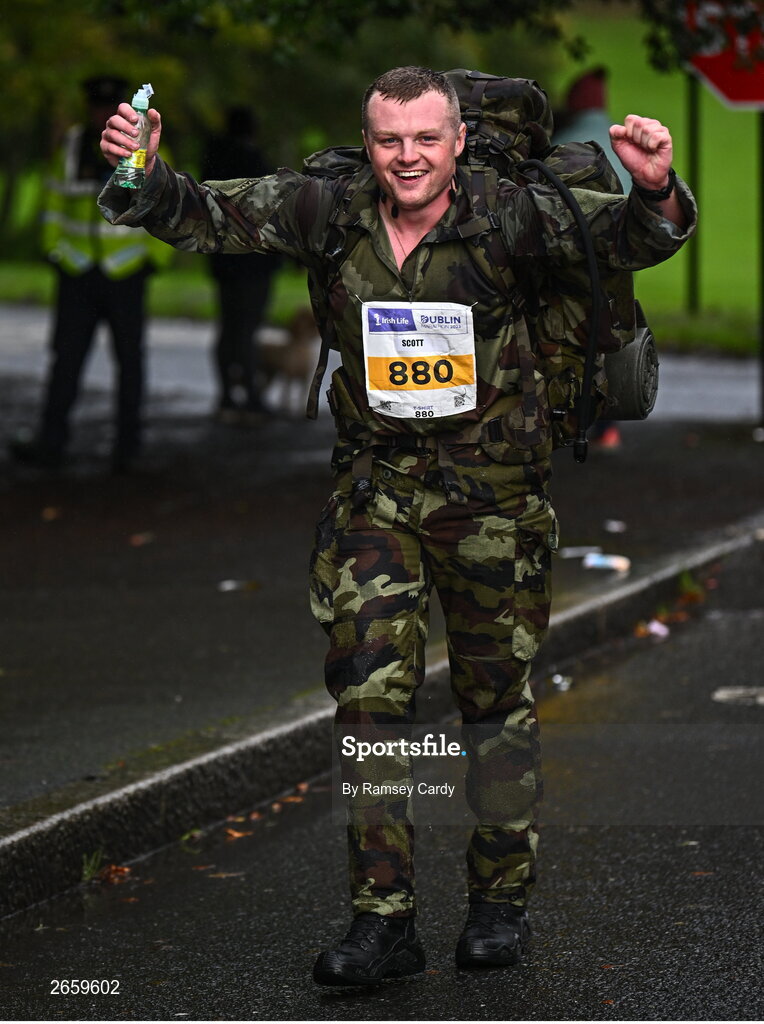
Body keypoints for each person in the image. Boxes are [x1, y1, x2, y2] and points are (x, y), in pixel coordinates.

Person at [99, 66, 696, 984]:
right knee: (373, 708)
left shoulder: (512, 214)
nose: (407, 158)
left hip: (494, 503)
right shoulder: (329, 209)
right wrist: (144, 172)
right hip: (377, 499)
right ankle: (384, 920)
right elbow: (209, 214)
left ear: (457, 139)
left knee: (495, 708)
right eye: (389, 141)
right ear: (368, 143)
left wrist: (653, 185)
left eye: (426, 139)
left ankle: (499, 905)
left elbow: (627, 241)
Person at [10, 75, 172, 473]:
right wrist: (53, 250)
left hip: (126, 270)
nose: (101, 112)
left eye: (107, 105)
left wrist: (155, 260)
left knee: (130, 362)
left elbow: (162, 199)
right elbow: (52, 200)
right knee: (65, 360)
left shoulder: (139, 142)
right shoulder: (70, 143)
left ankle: (128, 450)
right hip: (77, 270)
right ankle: (51, 445)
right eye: (95, 105)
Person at [553, 67, 629, 450]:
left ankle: (573, 423)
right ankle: (607, 426)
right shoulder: (621, 142)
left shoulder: (561, 144)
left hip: (566, 268)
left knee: (566, 343)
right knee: (612, 338)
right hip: (616, 265)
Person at [200, 107, 282, 423]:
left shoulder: (214, 162)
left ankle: (226, 394)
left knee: (229, 328)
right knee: (247, 329)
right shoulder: (254, 163)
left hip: (225, 259)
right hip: (253, 261)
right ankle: (250, 395)